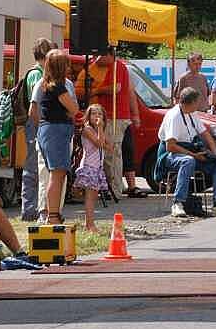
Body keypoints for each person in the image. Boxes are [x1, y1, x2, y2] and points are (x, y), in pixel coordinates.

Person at [75, 47, 142, 199]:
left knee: (112, 154)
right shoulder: (110, 67)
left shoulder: (117, 66)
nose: (96, 58)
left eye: (99, 55)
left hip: (115, 116)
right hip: (112, 116)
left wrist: (95, 91)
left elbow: (116, 88)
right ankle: (112, 187)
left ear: (109, 55)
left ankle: (115, 189)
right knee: (110, 153)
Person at [158, 87, 216, 217]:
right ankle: (178, 203)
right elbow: (170, 146)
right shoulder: (174, 116)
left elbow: (206, 134)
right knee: (188, 161)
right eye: (197, 102)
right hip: (171, 155)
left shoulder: (192, 113)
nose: (199, 104)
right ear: (191, 102)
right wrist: (194, 155)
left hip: (191, 151)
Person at [33, 50, 79, 224]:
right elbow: (74, 109)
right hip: (56, 132)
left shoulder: (44, 84)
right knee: (57, 175)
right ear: (62, 67)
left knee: (53, 174)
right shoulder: (59, 86)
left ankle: (51, 213)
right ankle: (53, 215)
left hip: (46, 130)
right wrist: (70, 111)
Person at [21, 38, 54, 221]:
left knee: (38, 167)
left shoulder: (40, 73)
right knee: (33, 166)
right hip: (36, 124)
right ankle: (29, 209)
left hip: (38, 124)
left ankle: (34, 207)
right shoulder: (36, 75)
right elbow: (35, 106)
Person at [73, 104, 112, 232]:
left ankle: (89, 223)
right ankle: (90, 225)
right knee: (90, 197)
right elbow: (99, 144)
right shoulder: (87, 129)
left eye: (99, 114)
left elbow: (108, 147)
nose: (97, 116)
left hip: (97, 167)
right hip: (89, 166)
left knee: (94, 197)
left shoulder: (98, 131)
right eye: (94, 114)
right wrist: (100, 128)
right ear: (88, 116)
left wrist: (104, 131)